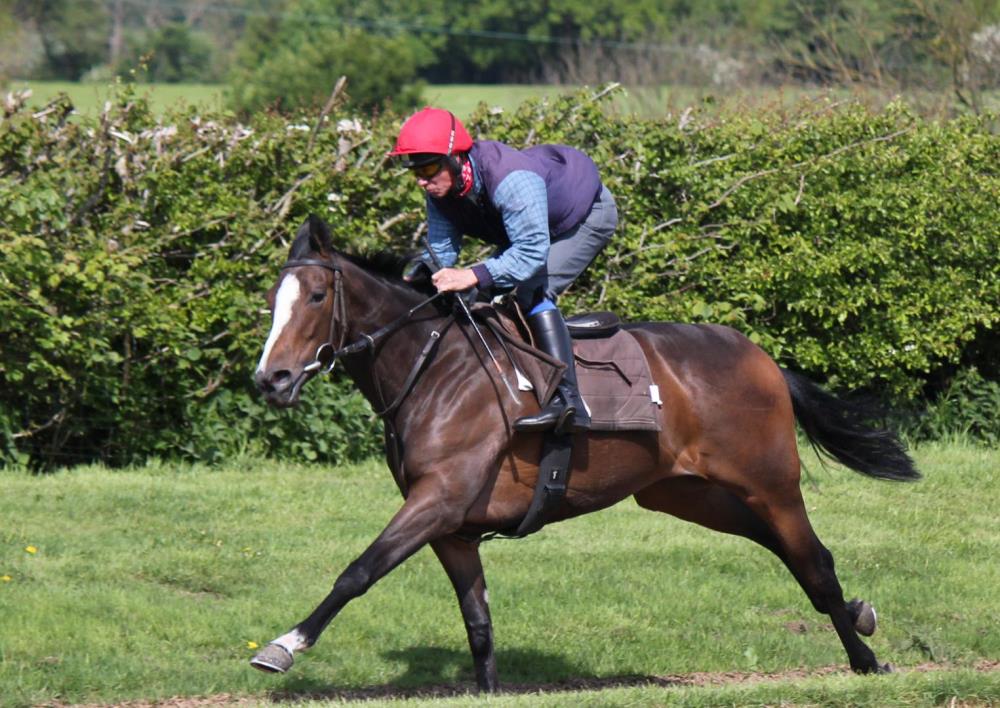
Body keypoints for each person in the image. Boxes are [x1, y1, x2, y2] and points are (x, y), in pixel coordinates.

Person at [389, 107, 617, 434]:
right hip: (532, 228)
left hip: (584, 217)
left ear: (455, 158)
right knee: (474, 295)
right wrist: (413, 281)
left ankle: (567, 400)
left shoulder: (511, 179)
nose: (422, 181)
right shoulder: (440, 190)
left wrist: (471, 274)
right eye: (415, 172)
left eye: (427, 169)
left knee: (531, 292)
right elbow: (441, 252)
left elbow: (532, 252)